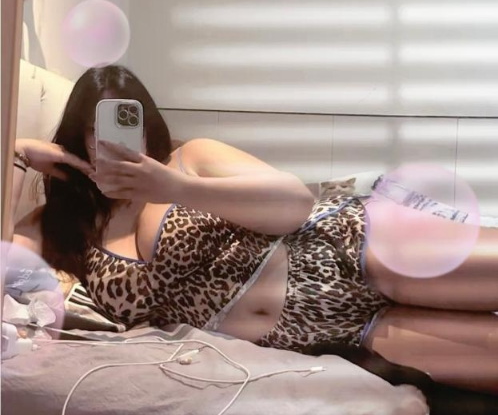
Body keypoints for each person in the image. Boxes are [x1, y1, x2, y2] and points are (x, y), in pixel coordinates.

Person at [10, 65, 498, 395]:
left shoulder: (189, 159)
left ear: (147, 123)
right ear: (79, 135)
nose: (115, 141)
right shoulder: (60, 230)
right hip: (330, 329)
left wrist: (174, 186)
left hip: (348, 247)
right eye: (97, 129)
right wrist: (30, 156)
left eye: (127, 122)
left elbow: (295, 202)